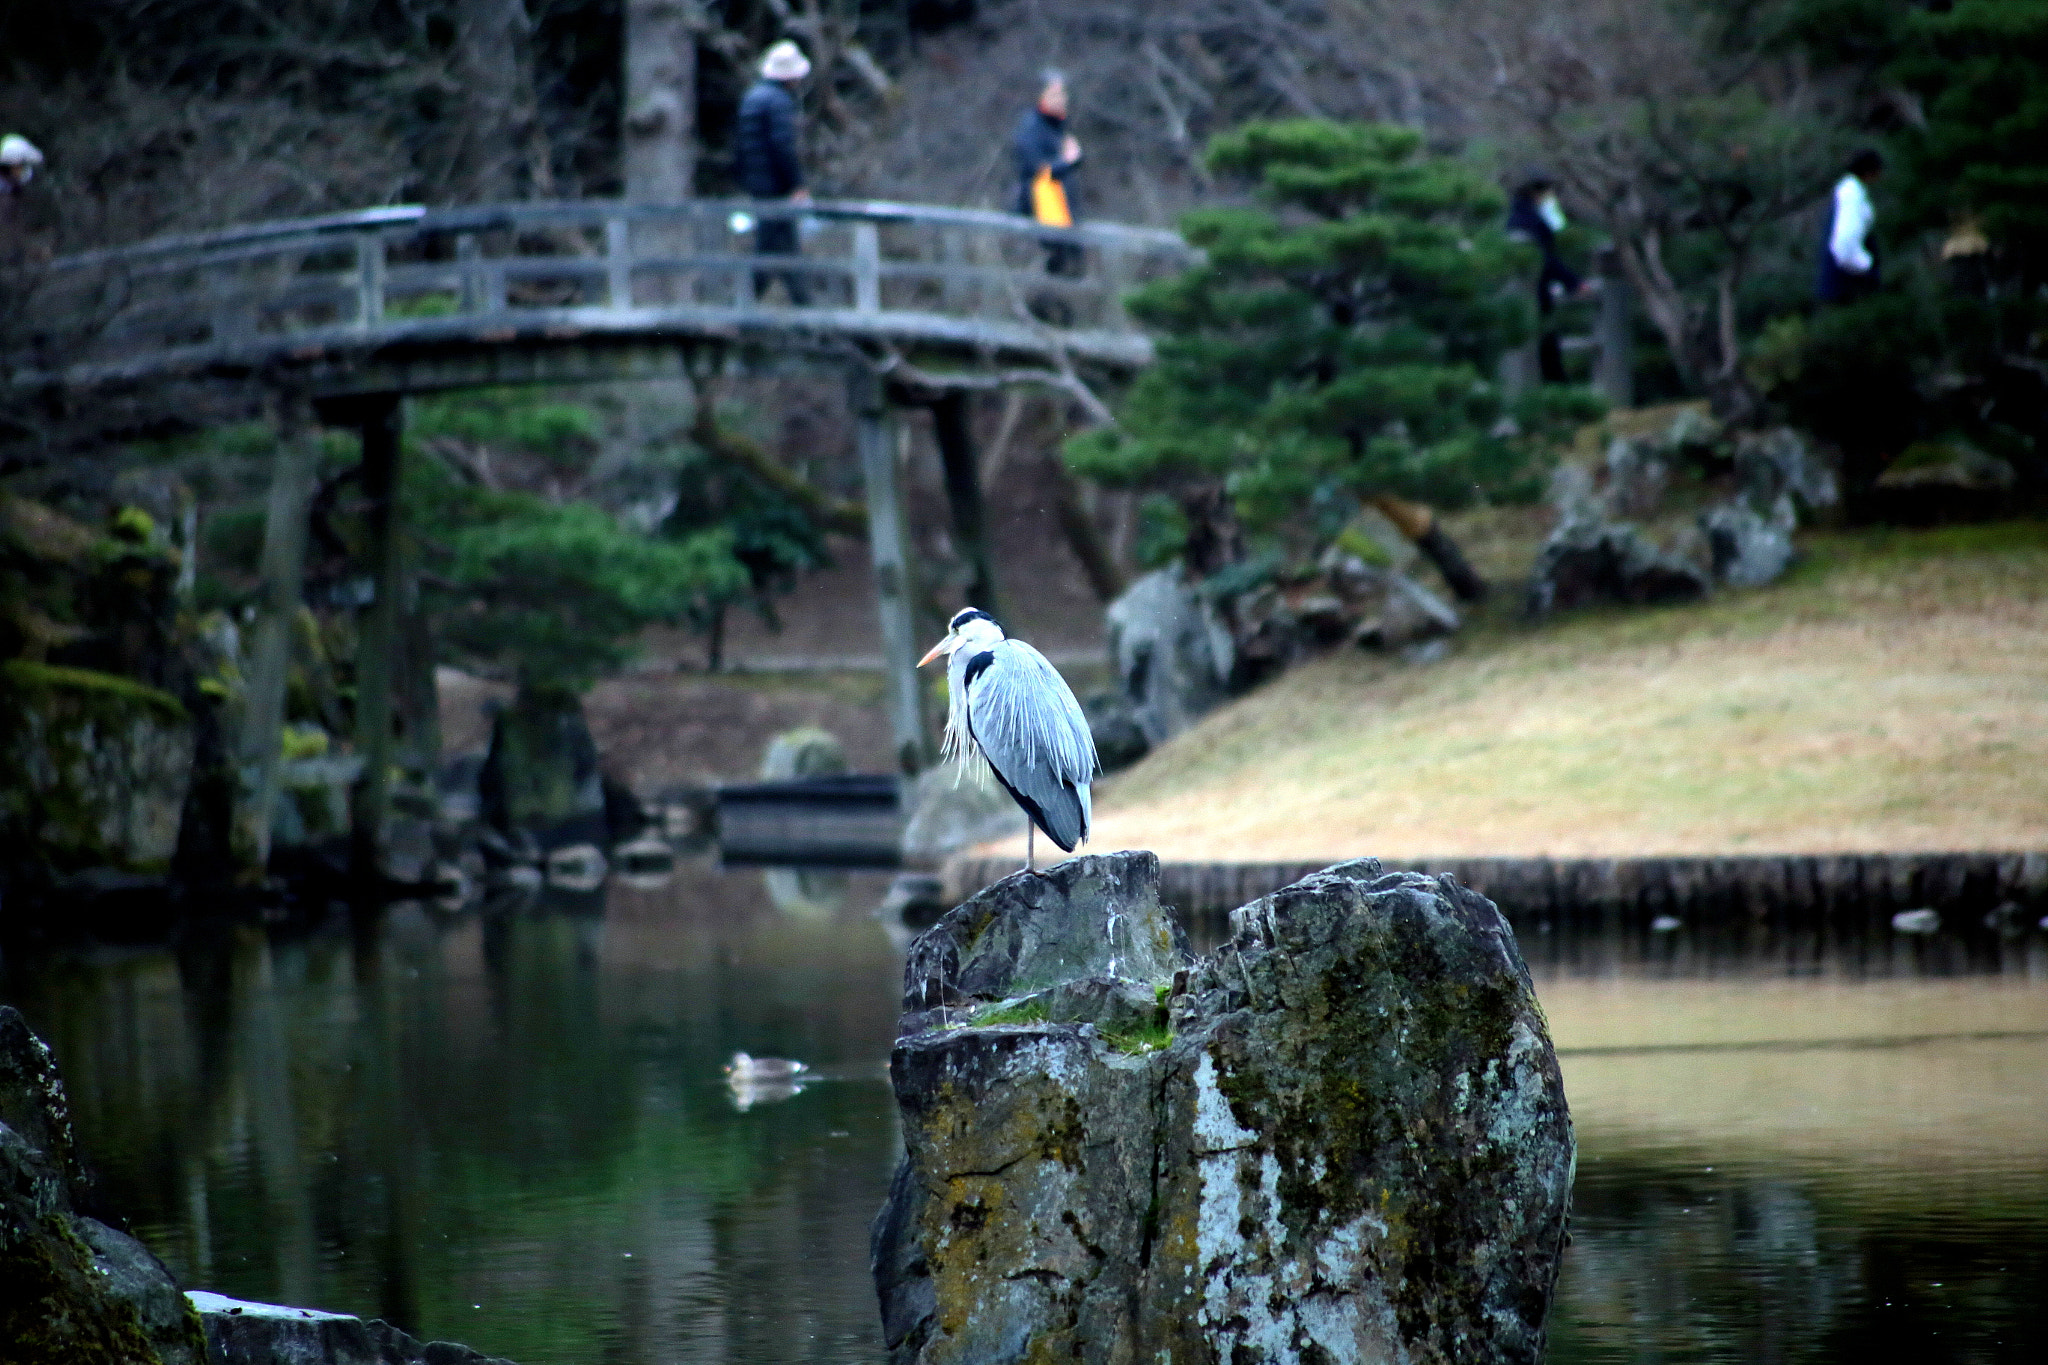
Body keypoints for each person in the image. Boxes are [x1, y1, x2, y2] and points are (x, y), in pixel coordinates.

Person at [736, 41, 812, 305]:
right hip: (775, 188)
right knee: (774, 247)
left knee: (777, 247)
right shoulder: (779, 102)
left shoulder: (752, 98)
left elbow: (741, 149)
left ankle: (806, 312)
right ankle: (805, 313)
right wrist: (796, 185)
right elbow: (783, 148)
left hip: (758, 186)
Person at [1506, 171, 1590, 383]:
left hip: (1536, 290)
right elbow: (1542, 258)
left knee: (1545, 348)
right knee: (1544, 349)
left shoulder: (1523, 215)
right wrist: (1572, 282)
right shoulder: (1526, 219)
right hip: (1533, 292)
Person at [1013, 70, 1084, 277]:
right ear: (1041, 96)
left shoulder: (1057, 126)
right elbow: (1036, 169)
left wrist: (1073, 159)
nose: (1060, 99)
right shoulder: (1032, 126)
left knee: (1069, 266)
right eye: (1054, 94)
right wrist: (1068, 160)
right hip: (1040, 212)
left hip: (1061, 213)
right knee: (1048, 271)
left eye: (1062, 94)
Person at [1817, 148, 1883, 305]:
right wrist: (1867, 267)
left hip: (1846, 282)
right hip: (1847, 286)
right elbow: (1845, 242)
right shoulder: (1851, 195)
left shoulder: (1852, 192)